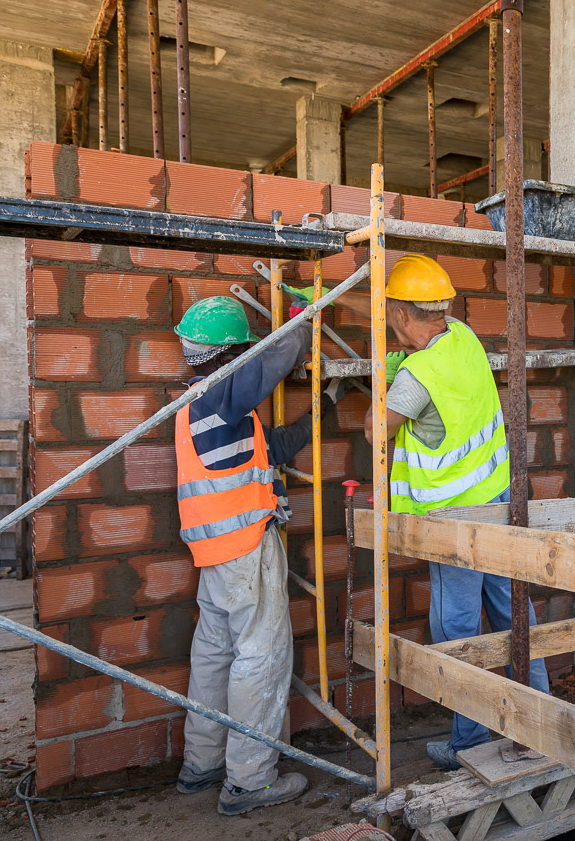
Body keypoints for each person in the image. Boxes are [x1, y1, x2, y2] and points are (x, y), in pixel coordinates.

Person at [330, 254, 552, 770]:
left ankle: (470, 740)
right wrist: (344, 301)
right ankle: (539, 718)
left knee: (455, 627)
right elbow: (409, 319)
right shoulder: (463, 335)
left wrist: (381, 388)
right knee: (513, 610)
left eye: (391, 313)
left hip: (455, 522)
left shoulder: (417, 377)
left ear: (403, 317)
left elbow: (373, 431)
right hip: (497, 503)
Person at [172, 294, 337, 815]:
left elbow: (276, 447)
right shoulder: (220, 396)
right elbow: (259, 375)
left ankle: (202, 765)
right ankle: (248, 782)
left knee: (214, 658)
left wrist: (329, 402)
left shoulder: (203, 407)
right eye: (242, 348)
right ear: (230, 352)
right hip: (245, 551)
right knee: (260, 662)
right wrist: (301, 325)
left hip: (216, 557)